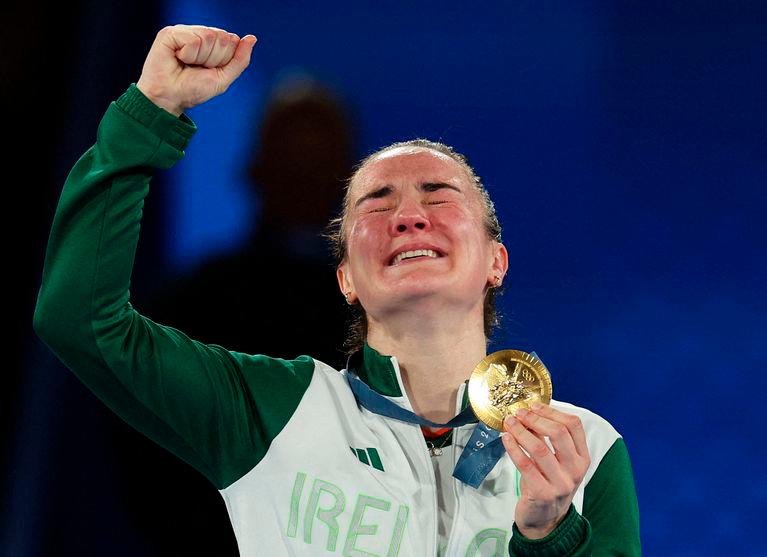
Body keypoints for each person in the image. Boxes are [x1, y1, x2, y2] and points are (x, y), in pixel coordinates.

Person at [33, 24, 641, 556]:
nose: (408, 216)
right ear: (346, 278)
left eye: (438, 194)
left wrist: (549, 534)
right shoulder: (272, 410)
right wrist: (153, 110)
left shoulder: (585, 450)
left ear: (496, 261)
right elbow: (81, 320)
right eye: (378, 203)